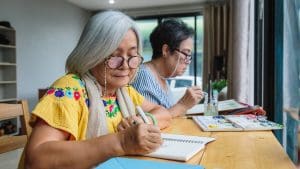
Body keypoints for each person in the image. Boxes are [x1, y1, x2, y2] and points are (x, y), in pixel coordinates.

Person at [22, 11, 172, 169]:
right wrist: (122, 142)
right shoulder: (69, 90)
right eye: (114, 56)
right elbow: (36, 159)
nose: (126, 65)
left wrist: (143, 121)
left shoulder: (123, 91)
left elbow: (164, 113)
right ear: (92, 54)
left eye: (132, 55)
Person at [132, 19, 203, 117]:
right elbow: (147, 123)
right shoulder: (143, 76)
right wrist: (183, 105)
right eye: (186, 54)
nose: (188, 61)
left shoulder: (162, 78)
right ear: (166, 50)